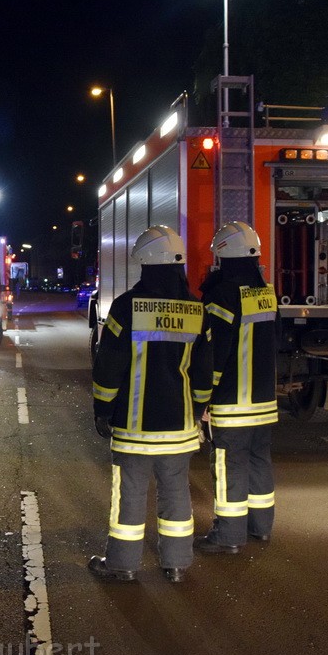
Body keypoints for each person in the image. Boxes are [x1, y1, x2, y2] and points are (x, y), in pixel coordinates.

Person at [88, 226, 212, 584]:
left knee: (129, 496)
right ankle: (176, 565)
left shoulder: (126, 307)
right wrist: (198, 409)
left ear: (143, 263)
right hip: (180, 427)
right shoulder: (196, 309)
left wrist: (102, 409)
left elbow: (109, 365)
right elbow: (203, 374)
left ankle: (122, 564)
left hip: (134, 428)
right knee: (176, 495)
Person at [196, 221, 278, 555]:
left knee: (229, 466)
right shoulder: (265, 292)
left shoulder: (222, 294)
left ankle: (228, 535)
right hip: (264, 403)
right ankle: (261, 528)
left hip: (232, 404)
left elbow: (215, 355)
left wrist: (205, 397)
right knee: (259, 462)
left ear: (223, 254)